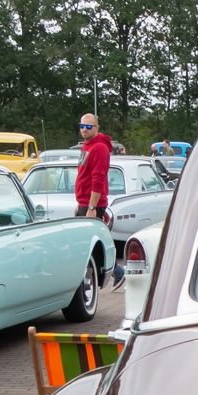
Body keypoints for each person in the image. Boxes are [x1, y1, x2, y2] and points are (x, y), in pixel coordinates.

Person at [75, 113, 123, 288]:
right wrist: (80, 203)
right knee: (88, 243)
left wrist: (92, 206)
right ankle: (116, 271)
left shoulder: (100, 148)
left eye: (88, 127)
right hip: (85, 203)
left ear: (96, 128)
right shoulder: (86, 147)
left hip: (94, 204)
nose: (84, 130)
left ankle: (116, 272)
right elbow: (83, 175)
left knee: (91, 244)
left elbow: (98, 178)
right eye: (82, 126)